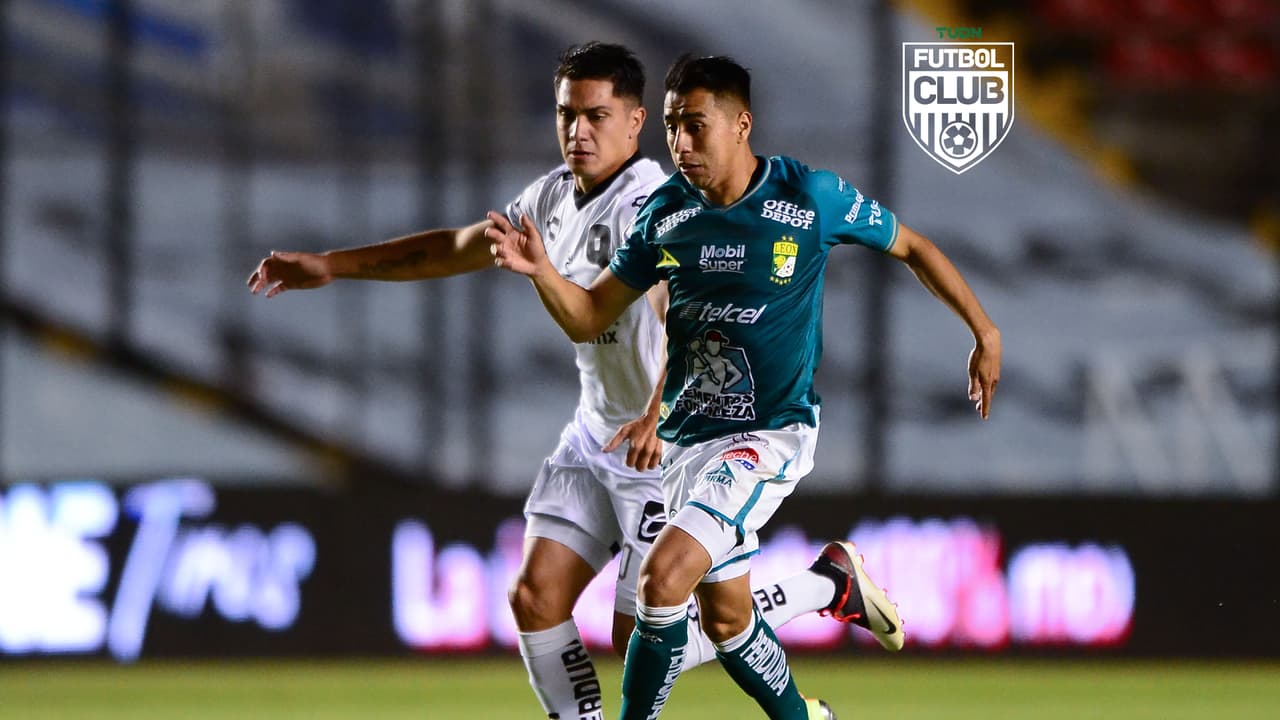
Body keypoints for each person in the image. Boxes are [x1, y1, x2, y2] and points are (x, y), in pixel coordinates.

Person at [248, 43, 879, 720]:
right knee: (534, 597)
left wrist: (656, 408)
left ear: (635, 122)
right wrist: (332, 265)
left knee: (643, 636)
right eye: (566, 114)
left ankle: (822, 586)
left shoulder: (656, 202)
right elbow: (456, 247)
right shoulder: (549, 197)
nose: (578, 131)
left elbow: (690, 313)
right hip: (594, 437)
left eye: (596, 116)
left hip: (660, 448)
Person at [488, 53, 1001, 720]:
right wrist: (542, 273)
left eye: (695, 126)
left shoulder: (807, 197)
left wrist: (984, 331)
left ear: (741, 125)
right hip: (687, 444)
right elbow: (589, 315)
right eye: (672, 126)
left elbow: (913, 246)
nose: (680, 143)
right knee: (728, 623)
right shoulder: (666, 213)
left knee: (661, 580)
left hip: (769, 434)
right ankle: (822, 621)